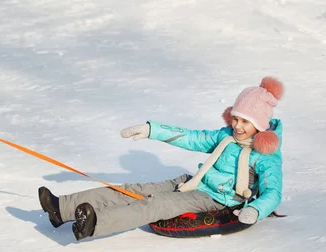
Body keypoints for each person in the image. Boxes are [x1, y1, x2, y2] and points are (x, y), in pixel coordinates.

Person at [39, 77, 284, 241]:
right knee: (131, 190)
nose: (237, 126)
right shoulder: (225, 136)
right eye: (235, 118)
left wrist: (255, 209)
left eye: (245, 122)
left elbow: (273, 191)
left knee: (158, 205)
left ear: (260, 125)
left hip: (217, 199)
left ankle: (94, 223)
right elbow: (192, 138)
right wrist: (152, 131)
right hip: (192, 182)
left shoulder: (265, 155)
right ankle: (61, 208)